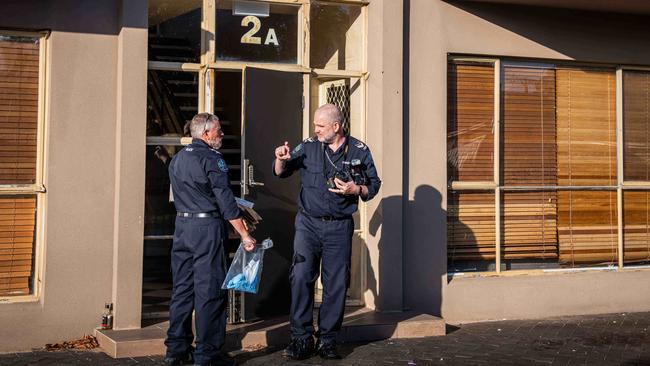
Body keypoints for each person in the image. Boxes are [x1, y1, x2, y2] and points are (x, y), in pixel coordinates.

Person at [273, 104, 381, 360]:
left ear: (336, 126)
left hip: (339, 226)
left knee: (336, 284)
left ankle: (328, 340)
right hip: (308, 224)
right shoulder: (309, 145)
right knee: (300, 277)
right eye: (315, 125)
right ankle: (301, 338)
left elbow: (374, 185)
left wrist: (357, 190)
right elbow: (281, 172)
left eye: (320, 126)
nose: (316, 130)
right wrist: (279, 157)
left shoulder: (359, 150)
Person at [165, 113, 256, 366]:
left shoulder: (177, 159)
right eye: (218, 131)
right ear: (205, 134)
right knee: (210, 292)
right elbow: (226, 201)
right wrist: (245, 234)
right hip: (206, 228)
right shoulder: (212, 159)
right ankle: (208, 354)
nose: (221, 135)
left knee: (182, 289)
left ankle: (176, 350)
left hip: (182, 226)